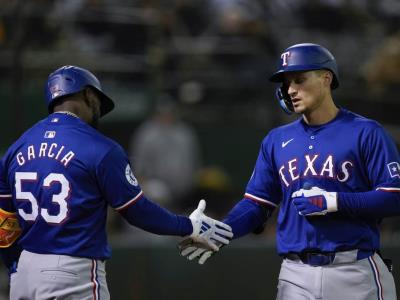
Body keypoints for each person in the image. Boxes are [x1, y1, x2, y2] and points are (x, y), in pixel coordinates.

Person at [179, 43, 400, 300]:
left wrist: (335, 201)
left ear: (326, 78)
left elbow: (394, 196)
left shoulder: (365, 132)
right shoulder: (276, 140)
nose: (291, 89)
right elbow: (257, 204)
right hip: (295, 275)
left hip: (354, 270)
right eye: (286, 83)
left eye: (299, 79)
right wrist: (223, 229)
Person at [0, 65, 233, 300]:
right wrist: (189, 226)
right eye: (98, 102)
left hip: (24, 273)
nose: (99, 111)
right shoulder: (100, 148)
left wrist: (15, 266)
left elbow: (5, 222)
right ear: (88, 95)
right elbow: (137, 211)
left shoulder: (15, 149)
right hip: (71, 268)